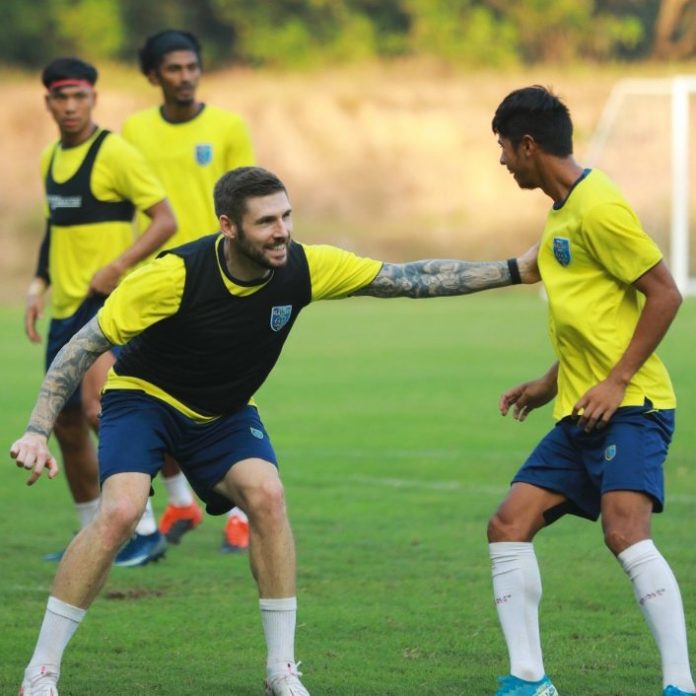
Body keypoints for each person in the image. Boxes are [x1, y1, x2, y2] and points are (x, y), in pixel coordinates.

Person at [12, 166, 539, 696]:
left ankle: (281, 670)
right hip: (145, 399)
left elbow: (408, 279)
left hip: (223, 413)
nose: (282, 231)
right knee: (121, 512)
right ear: (228, 226)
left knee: (267, 495)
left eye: (286, 216)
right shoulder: (172, 276)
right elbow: (82, 346)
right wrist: (37, 429)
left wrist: (515, 270)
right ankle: (41, 671)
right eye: (265, 221)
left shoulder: (304, 267)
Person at [487, 86, 695, 696]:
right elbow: (597, 320)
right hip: (581, 411)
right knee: (507, 525)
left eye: (504, 147)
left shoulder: (599, 207)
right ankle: (529, 680)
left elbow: (666, 294)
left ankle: (680, 684)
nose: (502, 160)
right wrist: (547, 381)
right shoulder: (561, 212)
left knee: (624, 531)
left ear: (529, 145)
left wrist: (617, 380)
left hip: (632, 407)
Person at [25, 57, 177, 567]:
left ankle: (144, 530)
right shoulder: (50, 158)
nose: (71, 107)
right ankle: (92, 535)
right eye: (61, 98)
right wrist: (38, 285)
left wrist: (118, 265)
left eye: (80, 97)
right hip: (65, 308)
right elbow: (55, 229)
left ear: (94, 98)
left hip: (108, 305)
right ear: (48, 102)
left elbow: (165, 220)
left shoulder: (115, 153)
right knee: (67, 424)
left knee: (99, 410)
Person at [122, 29, 256, 552]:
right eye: (173, 68)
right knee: (155, 392)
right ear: (153, 75)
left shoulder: (227, 127)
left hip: (219, 279)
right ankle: (180, 502)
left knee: (226, 397)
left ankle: (242, 512)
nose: (185, 77)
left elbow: (248, 198)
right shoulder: (134, 131)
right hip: (158, 281)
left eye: (191, 67)